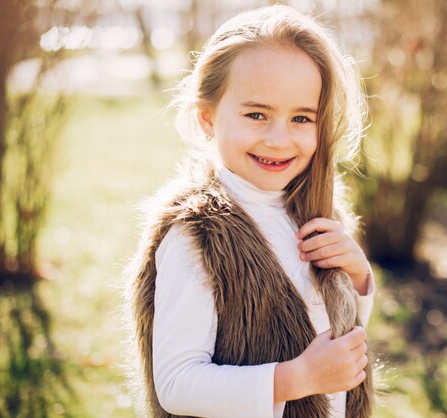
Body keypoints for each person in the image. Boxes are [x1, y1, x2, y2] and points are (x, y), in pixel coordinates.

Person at [127, 4, 375, 418]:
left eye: (301, 118)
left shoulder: (315, 212)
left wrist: (359, 275)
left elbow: (335, 331)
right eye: (256, 114)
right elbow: (176, 384)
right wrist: (299, 378)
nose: (279, 140)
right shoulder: (198, 235)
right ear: (208, 118)